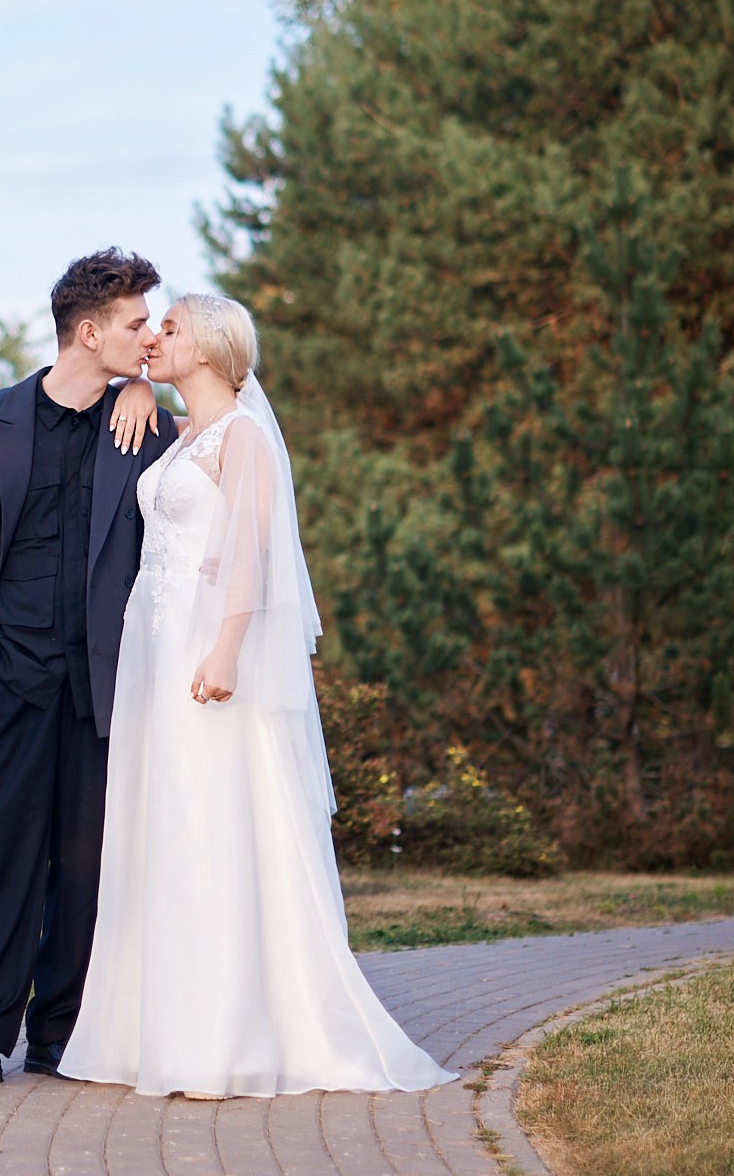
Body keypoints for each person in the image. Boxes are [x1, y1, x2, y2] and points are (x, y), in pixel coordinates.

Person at [60, 293, 454, 1097]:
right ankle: (146, 1034)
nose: (152, 340)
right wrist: (136, 389)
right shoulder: (183, 436)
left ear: (204, 347)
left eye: (166, 329)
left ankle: (222, 1036)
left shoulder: (242, 438)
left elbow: (254, 553)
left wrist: (228, 648)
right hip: (154, 650)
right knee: (158, 823)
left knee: (210, 821)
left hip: (207, 655)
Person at [0, 249, 181, 1093]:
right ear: (88, 331)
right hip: (1, 676)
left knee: (86, 863)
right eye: (137, 324)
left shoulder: (147, 425)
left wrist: (147, 386)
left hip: (103, 687)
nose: (151, 334)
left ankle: (63, 1033)